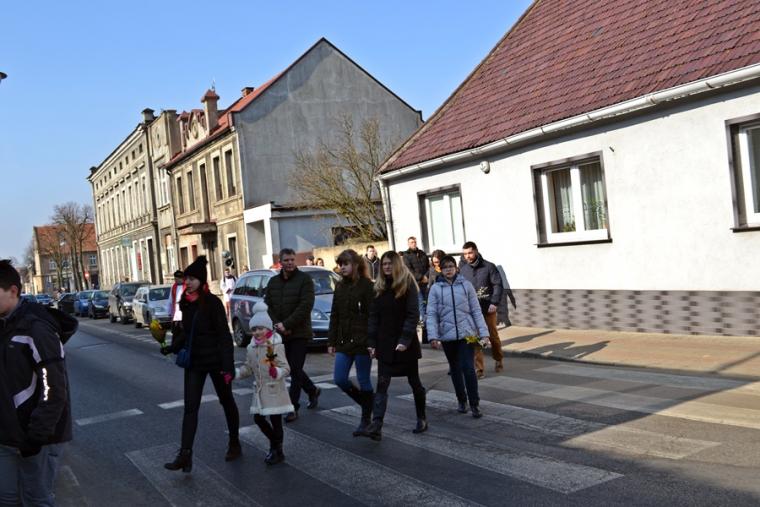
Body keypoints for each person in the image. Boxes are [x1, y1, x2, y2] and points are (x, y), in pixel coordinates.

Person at [0, 259, 76, 506]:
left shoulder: (37, 329)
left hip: (37, 439)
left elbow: (54, 388)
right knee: (7, 500)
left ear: (13, 291)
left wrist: (37, 436)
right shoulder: (3, 326)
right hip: (6, 436)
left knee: (37, 500)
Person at [161, 256, 241, 472]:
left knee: (227, 401)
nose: (187, 282)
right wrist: (171, 347)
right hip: (195, 362)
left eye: (192, 279)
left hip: (215, 361)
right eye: (186, 278)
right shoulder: (185, 302)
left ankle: (234, 442)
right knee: (190, 408)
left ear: (201, 280)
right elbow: (186, 333)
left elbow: (224, 336)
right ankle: (185, 454)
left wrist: (228, 366)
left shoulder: (212, 303)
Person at [364, 251, 426, 441]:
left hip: (405, 345)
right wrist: (371, 342)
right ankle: (377, 424)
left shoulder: (408, 284)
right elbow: (373, 317)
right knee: (382, 385)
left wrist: (404, 340)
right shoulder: (379, 287)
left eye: (390, 263)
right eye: (384, 264)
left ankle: (421, 418)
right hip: (385, 344)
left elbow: (413, 314)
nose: (387, 267)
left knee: (414, 382)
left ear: (397, 264)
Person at [426, 255, 489, 418]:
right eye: (445, 267)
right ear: (440, 269)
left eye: (451, 266)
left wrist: (484, 333)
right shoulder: (435, 289)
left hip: (466, 334)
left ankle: (474, 403)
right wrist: (433, 336)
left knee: (468, 368)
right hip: (447, 336)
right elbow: (431, 314)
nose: (448, 270)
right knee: (455, 369)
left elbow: (476, 310)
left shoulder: (466, 286)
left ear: (456, 268)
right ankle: (462, 400)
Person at [264, 248, 321, 423]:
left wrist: (287, 324)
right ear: (280, 262)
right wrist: (278, 325)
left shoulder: (304, 280)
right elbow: (268, 305)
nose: (289, 263)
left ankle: (292, 407)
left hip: (300, 332)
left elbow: (306, 305)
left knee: (295, 370)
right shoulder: (273, 282)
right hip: (280, 333)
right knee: (290, 368)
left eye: (292, 260)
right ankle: (312, 390)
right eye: (286, 260)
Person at [236, 303, 292, 465]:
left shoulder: (275, 345)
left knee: (275, 420)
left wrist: (278, 372)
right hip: (260, 391)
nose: (257, 332)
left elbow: (286, 368)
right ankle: (275, 443)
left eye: (260, 328)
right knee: (258, 419)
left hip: (274, 389)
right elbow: (248, 367)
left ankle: (277, 450)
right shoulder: (251, 348)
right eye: (254, 329)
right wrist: (235, 374)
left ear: (267, 328)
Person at [328, 249, 375, 436]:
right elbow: (335, 315)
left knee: (364, 380)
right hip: (344, 341)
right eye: (340, 264)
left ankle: (366, 420)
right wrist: (331, 341)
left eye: (345, 264)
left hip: (363, 341)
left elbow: (372, 316)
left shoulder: (367, 286)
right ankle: (368, 404)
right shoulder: (339, 286)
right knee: (340, 379)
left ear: (355, 265)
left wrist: (372, 341)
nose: (342, 267)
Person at [459, 241, 514, 377]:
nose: (468, 256)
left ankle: (498, 358)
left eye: (470, 253)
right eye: (465, 254)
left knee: (493, 336)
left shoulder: (489, 266)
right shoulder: (463, 270)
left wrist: (494, 302)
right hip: (472, 310)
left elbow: (497, 285)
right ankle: (479, 370)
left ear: (476, 251)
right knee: (475, 338)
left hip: (488, 308)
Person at [402, 236, 430, 324]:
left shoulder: (422, 253)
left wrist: (426, 276)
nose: (413, 244)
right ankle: (424, 322)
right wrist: (421, 277)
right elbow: (409, 271)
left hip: (426, 282)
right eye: (411, 242)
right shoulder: (406, 255)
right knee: (421, 303)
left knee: (428, 302)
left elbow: (428, 267)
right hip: (416, 284)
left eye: (414, 242)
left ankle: (429, 320)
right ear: (408, 244)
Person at [167, 270, 185, 334]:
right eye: (175, 279)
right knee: (176, 332)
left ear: (181, 278)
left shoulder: (186, 286)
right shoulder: (174, 287)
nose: (175, 280)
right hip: (176, 313)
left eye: (176, 279)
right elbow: (170, 300)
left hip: (184, 313)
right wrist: (169, 312)